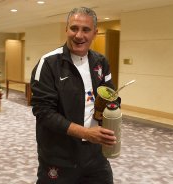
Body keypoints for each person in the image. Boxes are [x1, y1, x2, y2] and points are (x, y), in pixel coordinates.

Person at [31, 7, 118, 184]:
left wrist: (111, 110)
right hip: (59, 157)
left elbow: (112, 96)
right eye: (74, 28)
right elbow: (44, 113)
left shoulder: (101, 62)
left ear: (95, 32)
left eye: (86, 30)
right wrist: (86, 132)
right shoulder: (48, 63)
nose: (79, 35)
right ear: (66, 29)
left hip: (95, 155)